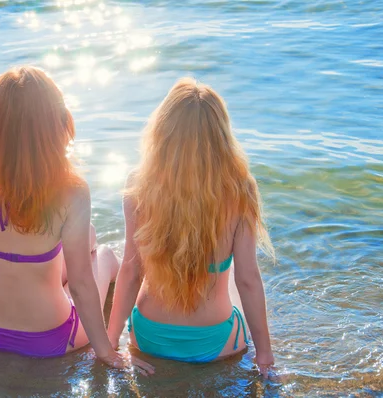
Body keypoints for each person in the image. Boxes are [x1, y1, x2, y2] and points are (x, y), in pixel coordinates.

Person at [0, 66, 154, 375]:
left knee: (81, 237)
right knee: (102, 254)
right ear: (56, 126)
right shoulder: (71, 191)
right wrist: (106, 352)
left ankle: (85, 243)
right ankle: (99, 252)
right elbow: (82, 285)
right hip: (54, 338)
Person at [107, 78, 275, 376]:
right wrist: (265, 355)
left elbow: (131, 271)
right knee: (235, 275)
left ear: (162, 132)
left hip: (148, 337)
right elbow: (249, 280)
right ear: (221, 136)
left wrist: (110, 343)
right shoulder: (240, 190)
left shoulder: (139, 185)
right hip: (215, 343)